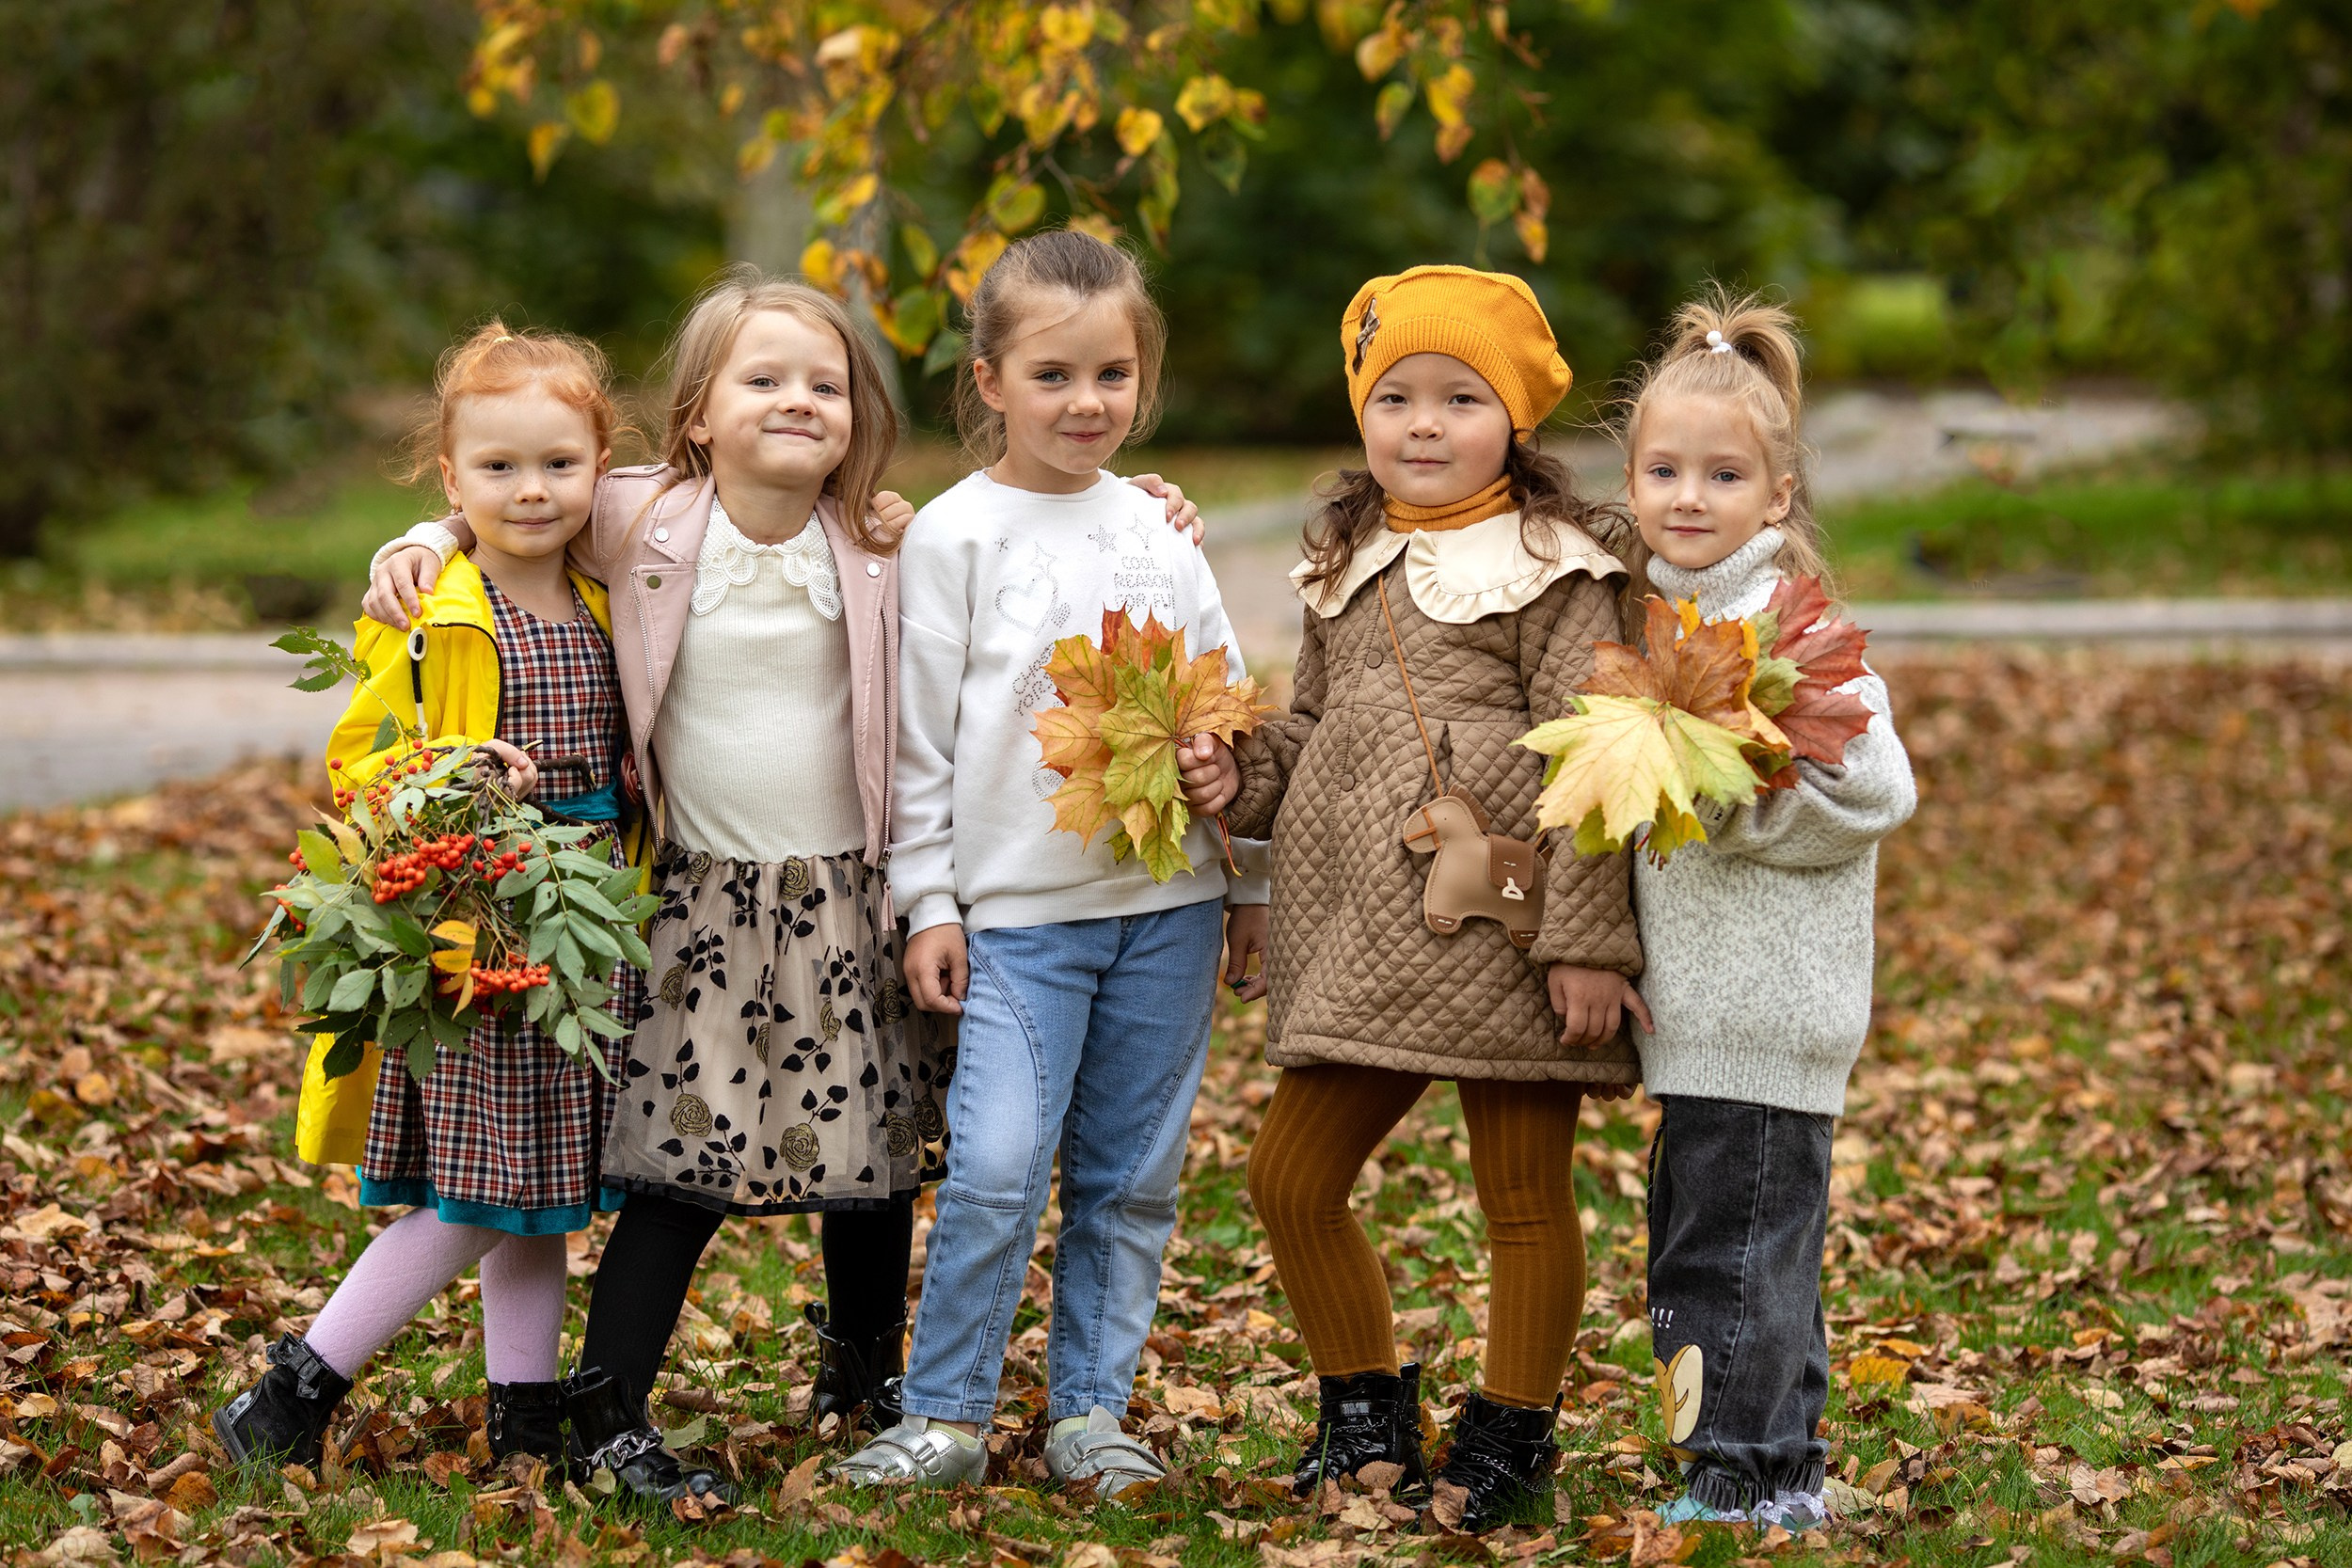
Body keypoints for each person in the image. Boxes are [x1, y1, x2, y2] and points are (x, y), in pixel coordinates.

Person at [362, 267, 1207, 1503]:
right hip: (708, 901)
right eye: (763, 379)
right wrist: (425, 535)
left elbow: (1045, 551)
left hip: (855, 892)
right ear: (700, 411)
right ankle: (609, 1410)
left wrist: (1150, 507)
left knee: (872, 1157)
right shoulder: (639, 517)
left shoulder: (884, 540)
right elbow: (517, 492)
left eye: (825, 383)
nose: (798, 401)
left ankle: (864, 1384)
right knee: (676, 1164)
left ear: (859, 412)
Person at [1180, 265, 1646, 1533]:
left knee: (1523, 1195)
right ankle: (1365, 1407)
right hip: (1367, 936)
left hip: (1506, 926)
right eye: (1396, 397)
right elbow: (1320, 731)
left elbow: (1600, 749)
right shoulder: (1350, 562)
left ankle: (1511, 1426)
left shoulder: (1559, 568)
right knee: (1289, 1176)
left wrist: (1590, 940)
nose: (1424, 424)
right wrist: (1244, 770)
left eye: (1460, 396)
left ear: (1518, 421)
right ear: (1361, 413)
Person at [831, 229, 1269, 1499]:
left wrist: (1246, 874)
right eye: (1055, 375)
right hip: (1023, 914)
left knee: (1131, 1177)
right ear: (990, 381)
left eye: (1113, 375)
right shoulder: (955, 539)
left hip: (1169, 907)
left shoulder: (1161, 531)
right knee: (999, 1166)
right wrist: (929, 901)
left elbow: (1229, 713)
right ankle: (947, 1408)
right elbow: (915, 744)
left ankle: (1091, 1409)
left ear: (1144, 377)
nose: (1088, 404)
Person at [216, 323, 644, 1473]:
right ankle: (290, 1391)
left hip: (585, 929)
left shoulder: (610, 591)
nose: (532, 488)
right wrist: (454, 775)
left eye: (559, 462)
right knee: (479, 1191)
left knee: (538, 1192)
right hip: (477, 927)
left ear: (602, 465)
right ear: (451, 480)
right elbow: (360, 761)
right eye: (497, 468)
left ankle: (523, 1420)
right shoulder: (426, 606)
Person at [1613, 290, 1914, 1531]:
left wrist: (1724, 792)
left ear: (1776, 496)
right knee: (1736, 1242)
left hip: (1768, 1004)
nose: (1690, 495)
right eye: (1665, 469)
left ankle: (1736, 1476)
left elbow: (1874, 785)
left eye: (1723, 474)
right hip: (1698, 1011)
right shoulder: (1649, 623)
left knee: (1725, 1255)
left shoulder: (1791, 627)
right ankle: (1783, 1459)